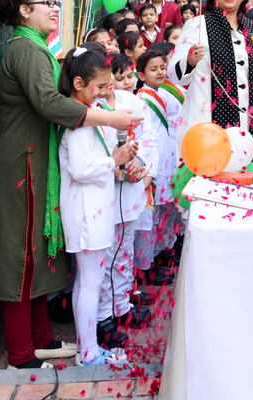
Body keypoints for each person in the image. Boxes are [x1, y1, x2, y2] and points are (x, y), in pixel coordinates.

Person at [0, 0, 141, 370]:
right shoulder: (24, 50)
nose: (55, 8)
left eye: (56, 2)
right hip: (22, 165)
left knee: (36, 252)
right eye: (47, 3)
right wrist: (110, 116)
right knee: (21, 254)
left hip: (36, 163)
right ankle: (21, 353)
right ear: (24, 11)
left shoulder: (36, 48)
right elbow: (49, 102)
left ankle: (40, 340)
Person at [58, 43, 139, 366]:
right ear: (79, 84)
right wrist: (114, 162)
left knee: (88, 281)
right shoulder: (78, 124)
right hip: (86, 211)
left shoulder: (86, 118)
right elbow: (81, 169)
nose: (107, 92)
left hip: (93, 209)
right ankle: (89, 352)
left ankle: (87, 347)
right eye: (102, 86)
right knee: (90, 283)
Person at [171, 0, 253, 147]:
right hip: (207, 125)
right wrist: (189, 62)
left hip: (251, 125)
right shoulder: (197, 25)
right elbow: (174, 76)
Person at [100, 53, 158, 339]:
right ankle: (103, 316)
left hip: (131, 190)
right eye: (106, 73)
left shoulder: (132, 102)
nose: (110, 80)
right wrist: (117, 162)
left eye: (112, 74)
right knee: (105, 258)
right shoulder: (91, 108)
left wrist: (140, 162)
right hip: (104, 195)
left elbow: (148, 139)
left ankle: (122, 305)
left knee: (123, 252)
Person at [133, 51, 177, 287]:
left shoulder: (160, 93)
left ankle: (156, 259)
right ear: (141, 74)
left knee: (160, 217)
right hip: (153, 167)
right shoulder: (143, 99)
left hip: (165, 162)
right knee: (148, 222)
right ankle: (145, 269)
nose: (160, 72)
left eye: (162, 67)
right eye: (153, 69)